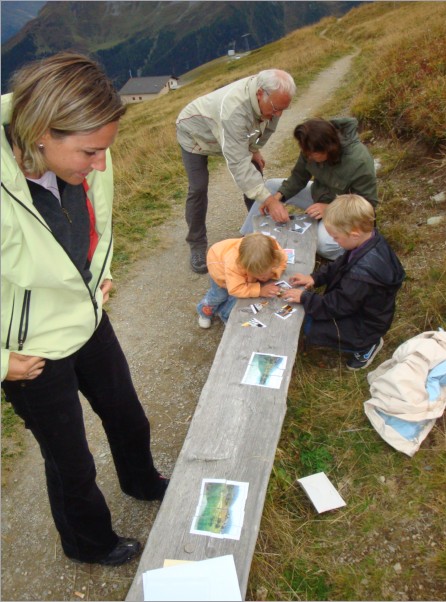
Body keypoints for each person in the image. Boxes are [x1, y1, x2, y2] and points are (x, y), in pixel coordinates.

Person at [1, 52, 168, 566]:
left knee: (128, 418)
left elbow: (100, 217)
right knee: (70, 462)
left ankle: (141, 482)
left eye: (105, 151)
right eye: (90, 153)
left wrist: (103, 269)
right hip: (31, 353)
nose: (101, 163)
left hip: (88, 316)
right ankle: (88, 543)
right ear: (41, 133)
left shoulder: (93, 145)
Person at [176, 69, 296, 274]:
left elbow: (266, 130)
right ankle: (196, 244)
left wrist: (254, 149)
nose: (279, 115)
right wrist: (270, 201)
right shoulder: (234, 111)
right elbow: (238, 164)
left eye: (283, 109)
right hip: (195, 135)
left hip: (226, 133)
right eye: (276, 109)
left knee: (255, 170)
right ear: (260, 94)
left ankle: (259, 229)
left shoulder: (274, 102)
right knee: (198, 187)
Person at [281, 194, 405, 370]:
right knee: (310, 316)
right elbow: (339, 264)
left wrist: (305, 298)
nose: (333, 241)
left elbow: (336, 306)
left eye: (336, 237)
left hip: (365, 326)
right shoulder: (368, 240)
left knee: (308, 327)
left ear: (353, 234)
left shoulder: (361, 276)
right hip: (362, 310)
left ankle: (366, 346)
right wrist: (314, 278)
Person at [241, 117, 378, 260]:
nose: (309, 158)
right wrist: (276, 198)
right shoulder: (310, 146)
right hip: (320, 195)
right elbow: (299, 176)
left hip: (347, 212)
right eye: (306, 154)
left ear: (329, 148)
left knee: (324, 245)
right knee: (270, 187)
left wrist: (330, 209)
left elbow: (368, 204)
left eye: (313, 154)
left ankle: (353, 252)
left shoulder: (358, 160)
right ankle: (246, 241)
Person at [197, 233, 287, 328]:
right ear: (245, 267)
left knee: (239, 296)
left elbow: (283, 261)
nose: (264, 278)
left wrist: (273, 272)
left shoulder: (273, 251)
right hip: (219, 268)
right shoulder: (234, 265)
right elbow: (235, 289)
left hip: (233, 269)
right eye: (259, 274)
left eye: (265, 272)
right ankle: (204, 313)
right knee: (220, 295)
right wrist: (259, 291)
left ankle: (224, 314)